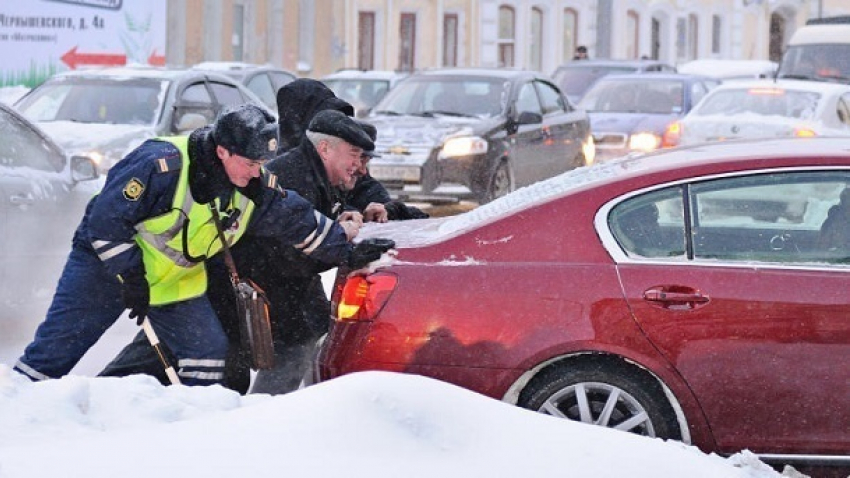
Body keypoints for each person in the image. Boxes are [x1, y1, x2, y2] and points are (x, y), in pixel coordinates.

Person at [15, 103, 393, 386]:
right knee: (55, 353)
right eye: (249, 162)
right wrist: (129, 275)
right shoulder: (160, 164)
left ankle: (195, 436)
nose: (257, 171)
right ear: (222, 151)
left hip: (175, 280)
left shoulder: (255, 185)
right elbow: (104, 224)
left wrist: (344, 251)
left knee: (209, 354)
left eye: (262, 162)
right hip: (105, 273)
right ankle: (21, 415)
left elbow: (297, 220)